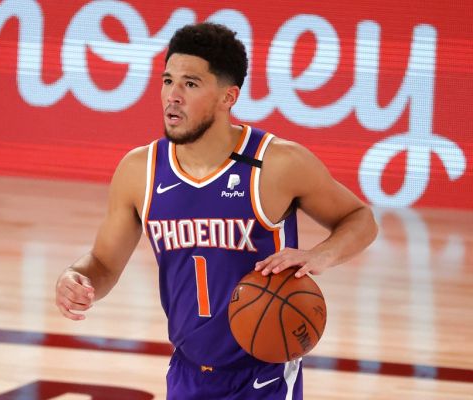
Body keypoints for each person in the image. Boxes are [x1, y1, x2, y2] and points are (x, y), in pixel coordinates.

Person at [55, 22, 377, 399]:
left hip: (264, 376)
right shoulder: (139, 171)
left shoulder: (276, 164)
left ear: (228, 97)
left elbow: (361, 219)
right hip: (187, 371)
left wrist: (319, 255)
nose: (172, 96)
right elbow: (104, 264)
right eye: (167, 80)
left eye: (190, 84)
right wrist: (77, 278)